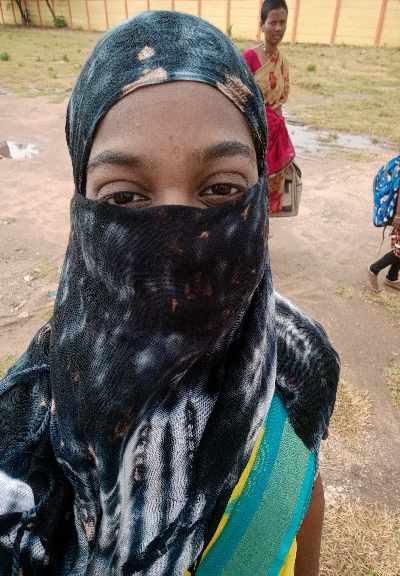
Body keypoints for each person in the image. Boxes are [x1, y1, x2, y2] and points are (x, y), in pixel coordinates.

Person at [0, 11, 339, 575]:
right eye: (124, 198)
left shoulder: (299, 361)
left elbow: (302, 492)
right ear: (81, 209)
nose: (178, 244)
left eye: (221, 188)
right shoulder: (27, 431)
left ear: (261, 197)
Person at [242, 0, 294, 214]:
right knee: (250, 192)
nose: (278, 28)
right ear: (262, 25)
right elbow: (238, 98)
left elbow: (279, 104)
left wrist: (284, 144)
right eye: (273, 22)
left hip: (275, 139)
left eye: (283, 22)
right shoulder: (249, 58)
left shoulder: (283, 63)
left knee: (270, 202)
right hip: (253, 136)